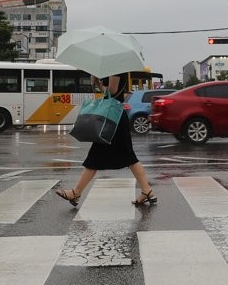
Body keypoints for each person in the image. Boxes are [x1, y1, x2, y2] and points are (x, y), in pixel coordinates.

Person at [55, 74, 157, 207]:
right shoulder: (116, 66)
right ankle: (147, 191)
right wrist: (97, 82)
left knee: (96, 158)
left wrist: (98, 84)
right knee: (128, 157)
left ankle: (76, 192)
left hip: (113, 119)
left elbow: (112, 91)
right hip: (115, 117)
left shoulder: (116, 69)